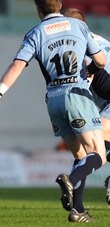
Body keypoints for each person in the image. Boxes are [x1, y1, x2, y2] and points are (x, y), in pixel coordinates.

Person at [0, 0, 107, 223]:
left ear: (38, 10)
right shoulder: (77, 25)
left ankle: (77, 210)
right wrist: (88, 70)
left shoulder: (35, 32)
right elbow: (100, 60)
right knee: (97, 154)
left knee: (80, 156)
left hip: (54, 100)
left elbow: (17, 65)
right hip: (77, 94)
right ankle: (71, 179)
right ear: (59, 5)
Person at [61, 7, 110, 205]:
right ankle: (77, 208)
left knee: (92, 149)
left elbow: (97, 77)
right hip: (101, 101)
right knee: (88, 151)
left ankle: (74, 193)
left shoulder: (82, 44)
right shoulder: (100, 41)